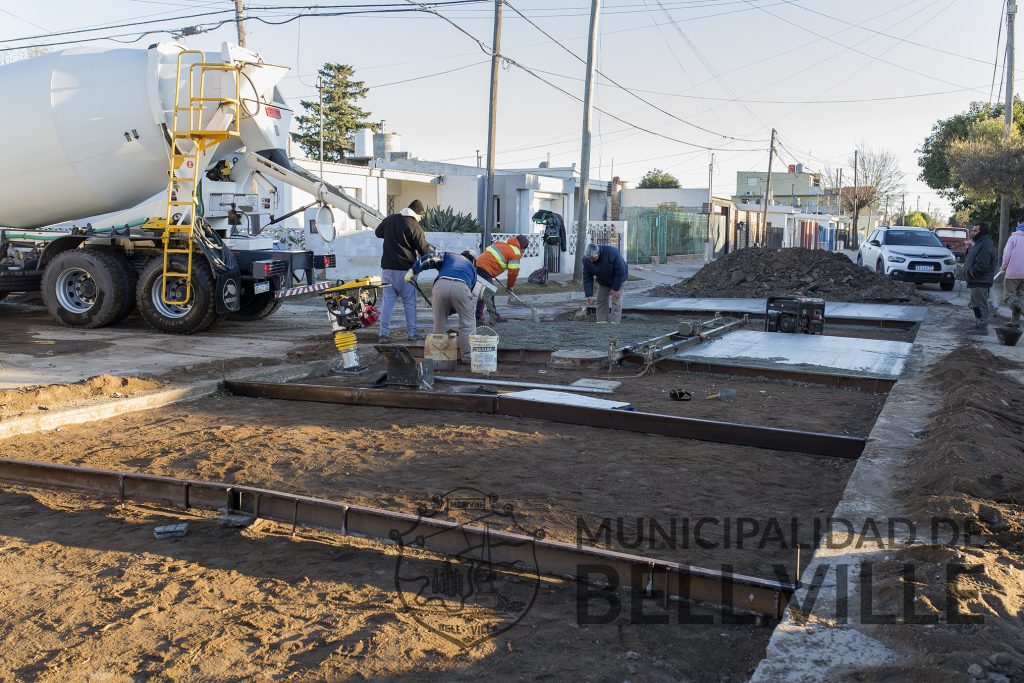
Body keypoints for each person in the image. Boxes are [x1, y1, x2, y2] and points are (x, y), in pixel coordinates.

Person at [375, 199, 432, 343]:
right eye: (421, 216)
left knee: (387, 302)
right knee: (409, 302)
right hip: (406, 272)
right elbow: (424, 250)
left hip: (387, 270)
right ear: (418, 214)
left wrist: (391, 235)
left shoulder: (390, 219)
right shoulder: (415, 226)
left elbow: (378, 233)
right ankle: (412, 334)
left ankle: (383, 334)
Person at [406, 251, 478, 358]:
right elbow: (466, 295)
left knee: (439, 323)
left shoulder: (449, 256)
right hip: (461, 287)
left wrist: (413, 270)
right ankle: (468, 356)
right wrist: (451, 310)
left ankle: (439, 357)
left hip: (441, 285)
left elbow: (430, 258)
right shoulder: (472, 269)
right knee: (467, 323)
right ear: (473, 261)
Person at [474, 234, 529, 324]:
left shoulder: (503, 242)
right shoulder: (515, 253)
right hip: (484, 269)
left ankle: (491, 316)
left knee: (485, 292)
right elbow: (513, 272)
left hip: (478, 264)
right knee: (488, 292)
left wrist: (491, 268)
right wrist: (510, 286)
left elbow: (491, 254)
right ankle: (482, 318)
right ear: (522, 248)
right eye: (524, 250)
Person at [582, 243, 628, 324]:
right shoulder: (586, 260)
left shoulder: (612, 253)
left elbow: (620, 272)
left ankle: (615, 322)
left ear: (598, 253)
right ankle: (602, 321)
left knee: (616, 299)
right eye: (589, 259)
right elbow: (587, 277)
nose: (591, 261)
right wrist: (588, 294)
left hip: (619, 278)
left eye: (593, 258)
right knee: (601, 299)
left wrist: (615, 289)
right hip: (603, 280)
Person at [964, 223, 996, 334]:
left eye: (975, 231)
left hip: (981, 280)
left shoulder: (985, 244)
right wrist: (968, 250)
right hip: (976, 280)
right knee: (975, 304)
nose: (972, 233)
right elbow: (973, 258)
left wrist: (973, 272)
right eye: (972, 230)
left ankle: (982, 327)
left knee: (981, 304)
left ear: (981, 232)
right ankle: (979, 325)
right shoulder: (979, 243)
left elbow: (983, 264)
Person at [998, 218, 1024, 328]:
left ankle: (1022, 309)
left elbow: (1006, 255)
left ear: (1020, 223)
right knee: (1020, 296)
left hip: (1013, 273)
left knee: (1008, 297)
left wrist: (1003, 268)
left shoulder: (1014, 238)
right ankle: (1015, 322)